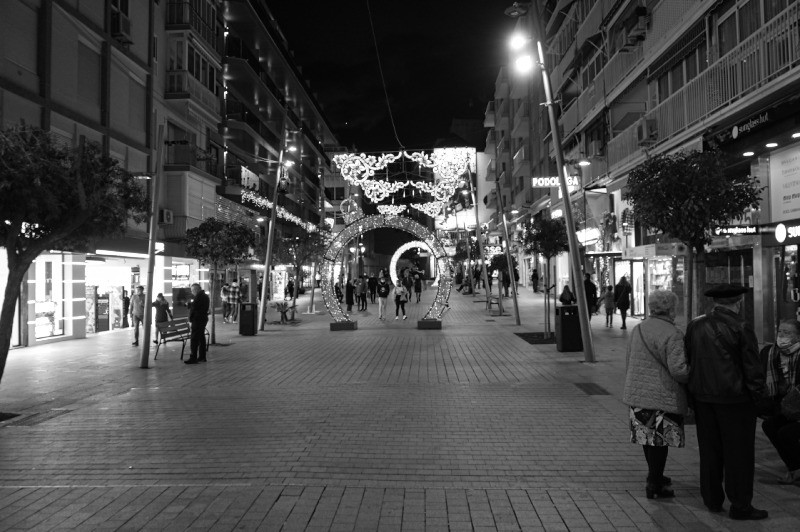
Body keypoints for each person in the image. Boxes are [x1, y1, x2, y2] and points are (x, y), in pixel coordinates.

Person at [684, 284, 769, 520]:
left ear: (715, 302)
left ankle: (712, 500)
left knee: (710, 451)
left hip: (703, 399)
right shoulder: (741, 327)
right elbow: (752, 368)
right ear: (738, 302)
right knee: (739, 454)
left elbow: (689, 360)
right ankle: (740, 505)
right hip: (735, 400)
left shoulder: (695, 325)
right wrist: (760, 398)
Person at [623, 290, 690, 500]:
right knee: (660, 442)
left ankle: (655, 475)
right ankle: (655, 482)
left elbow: (629, 359)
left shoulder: (638, 329)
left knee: (647, 439)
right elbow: (679, 370)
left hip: (638, 394)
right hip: (663, 396)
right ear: (671, 309)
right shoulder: (673, 333)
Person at [760, 319, 800, 485]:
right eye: (780, 332)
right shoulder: (770, 353)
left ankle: (796, 468)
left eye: (787, 332)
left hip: (797, 407)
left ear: (797, 336)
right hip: (785, 407)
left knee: (786, 433)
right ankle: (795, 468)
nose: (782, 335)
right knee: (770, 426)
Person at [185, 283, 209, 364]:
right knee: (201, 338)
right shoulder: (204, 296)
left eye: (192, 290)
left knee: (194, 339)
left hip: (198, 319)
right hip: (202, 319)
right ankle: (202, 356)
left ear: (196, 290)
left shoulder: (199, 296)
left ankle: (193, 357)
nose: (192, 292)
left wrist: (189, 305)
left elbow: (195, 307)